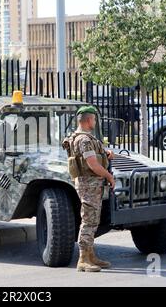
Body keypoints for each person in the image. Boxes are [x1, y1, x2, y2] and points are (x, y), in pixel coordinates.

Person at [63, 106, 115, 273]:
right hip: (89, 184)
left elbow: (92, 157)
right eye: (93, 119)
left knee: (92, 219)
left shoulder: (81, 138)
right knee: (89, 220)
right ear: (87, 120)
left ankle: (90, 255)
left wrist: (105, 153)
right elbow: (92, 164)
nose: (95, 122)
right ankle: (83, 259)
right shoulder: (84, 140)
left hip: (90, 184)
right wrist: (109, 176)